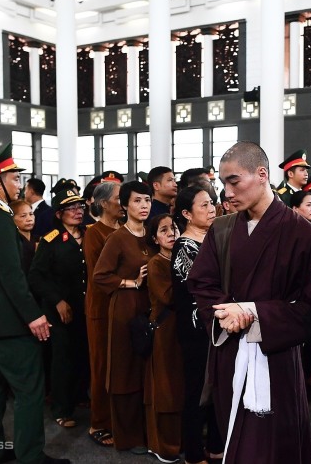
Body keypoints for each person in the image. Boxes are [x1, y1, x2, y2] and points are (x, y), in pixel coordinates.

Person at [188, 141, 311, 464]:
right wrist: (226, 313)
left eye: (234, 181)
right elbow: (201, 282)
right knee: (235, 434)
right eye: (222, 184)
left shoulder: (304, 234)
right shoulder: (221, 229)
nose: (226, 192)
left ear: (262, 175)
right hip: (229, 349)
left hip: (276, 355)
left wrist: (251, 313)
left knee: (274, 445)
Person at [0, 143, 68, 464]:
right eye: (14, 178)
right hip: (9, 322)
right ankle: (31, 456)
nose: (19, 184)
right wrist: (33, 315)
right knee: (29, 390)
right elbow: (10, 276)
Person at [93, 180, 155, 452]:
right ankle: (127, 437)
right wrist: (132, 282)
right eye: (138, 201)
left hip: (149, 308)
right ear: (125, 205)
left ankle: (148, 433)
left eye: (148, 200)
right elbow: (100, 276)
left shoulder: (152, 234)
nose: (144, 206)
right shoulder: (117, 237)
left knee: (146, 372)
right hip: (124, 309)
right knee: (125, 372)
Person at [28, 182, 89, 431]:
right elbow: (36, 276)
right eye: (71, 208)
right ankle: (61, 408)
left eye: (80, 206)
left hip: (85, 305)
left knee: (83, 353)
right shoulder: (51, 240)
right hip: (60, 307)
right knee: (62, 357)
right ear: (58, 214)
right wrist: (57, 301)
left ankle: (79, 396)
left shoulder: (89, 234)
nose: (78, 211)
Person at [171, 185, 222, 464]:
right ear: (187, 214)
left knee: (217, 387)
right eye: (203, 205)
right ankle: (193, 452)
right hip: (197, 330)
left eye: (212, 202)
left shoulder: (212, 239)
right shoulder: (184, 247)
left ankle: (216, 446)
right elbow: (203, 287)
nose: (211, 208)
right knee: (198, 391)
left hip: (218, 326)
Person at [83, 181, 122, 447]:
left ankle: (121, 420)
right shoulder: (94, 233)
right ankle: (99, 422)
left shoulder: (128, 229)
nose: (124, 201)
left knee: (123, 366)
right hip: (102, 307)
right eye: (120, 198)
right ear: (104, 203)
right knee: (101, 365)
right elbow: (100, 274)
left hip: (126, 307)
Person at [145, 214, 182, 464]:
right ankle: (162, 445)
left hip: (181, 330)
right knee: (166, 388)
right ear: (155, 238)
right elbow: (169, 297)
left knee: (180, 386)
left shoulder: (181, 257)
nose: (171, 233)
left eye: (174, 228)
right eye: (164, 230)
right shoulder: (157, 263)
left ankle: (179, 439)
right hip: (165, 331)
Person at [10, 199, 38, 273]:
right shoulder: (13, 242)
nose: (29, 219)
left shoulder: (39, 239)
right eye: (23, 216)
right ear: (12, 219)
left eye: (31, 214)